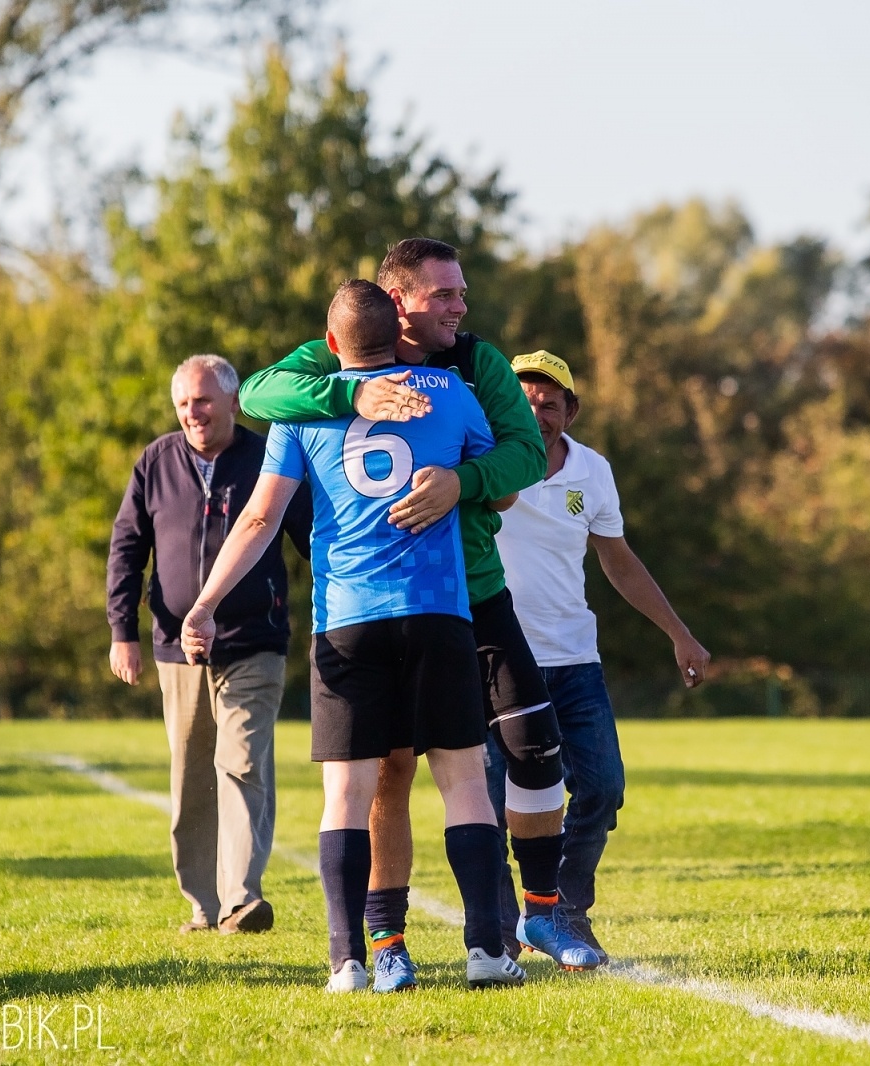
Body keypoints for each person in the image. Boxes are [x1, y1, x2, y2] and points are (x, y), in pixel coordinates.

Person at [239, 238, 599, 987]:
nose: (460, 309)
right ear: (397, 300)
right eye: (445, 296)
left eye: (461, 295)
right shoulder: (335, 354)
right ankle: (386, 938)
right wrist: (352, 395)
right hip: (390, 601)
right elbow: (256, 393)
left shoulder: (476, 363)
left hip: (472, 589)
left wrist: (460, 481)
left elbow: (526, 455)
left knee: (535, 744)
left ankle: (538, 909)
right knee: (393, 772)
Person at [183, 278, 523, 991]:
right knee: (462, 780)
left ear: (332, 344)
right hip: (438, 614)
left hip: (348, 620)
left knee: (348, 792)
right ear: (395, 325)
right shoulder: (452, 392)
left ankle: (349, 962)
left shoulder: (301, 409)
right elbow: (505, 486)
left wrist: (205, 602)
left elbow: (259, 520)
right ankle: (487, 950)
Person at [495, 350, 711, 963]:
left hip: (574, 660)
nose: (536, 413)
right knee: (491, 799)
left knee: (603, 787)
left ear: (571, 410)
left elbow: (617, 560)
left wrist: (679, 632)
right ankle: (496, 925)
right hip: (497, 658)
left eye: (549, 403)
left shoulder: (593, 471)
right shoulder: (481, 457)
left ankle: (565, 910)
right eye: (524, 401)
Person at [107, 354, 311, 935]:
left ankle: (241, 899)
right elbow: (127, 547)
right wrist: (122, 631)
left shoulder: (268, 457)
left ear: (231, 401)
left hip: (255, 640)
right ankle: (202, 902)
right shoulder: (155, 461)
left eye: (202, 401)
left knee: (243, 762)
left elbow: (312, 537)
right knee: (192, 775)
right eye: (182, 404)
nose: (191, 413)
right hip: (178, 647)